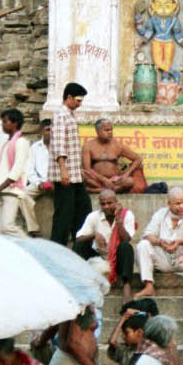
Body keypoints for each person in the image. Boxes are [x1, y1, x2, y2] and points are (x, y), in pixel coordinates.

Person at [138, 186, 183, 298]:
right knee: (143, 245)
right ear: (169, 204)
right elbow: (148, 234)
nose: (182, 206)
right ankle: (148, 286)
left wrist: (181, 242)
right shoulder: (160, 214)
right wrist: (160, 242)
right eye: (177, 203)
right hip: (165, 260)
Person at [48, 82, 90, 249]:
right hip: (65, 173)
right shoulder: (60, 115)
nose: (80, 104)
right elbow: (59, 144)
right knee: (63, 215)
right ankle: (57, 249)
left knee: (82, 210)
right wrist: (63, 170)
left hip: (74, 174)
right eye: (78, 100)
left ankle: (80, 247)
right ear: (69, 97)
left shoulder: (70, 115)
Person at [76, 189, 140, 298]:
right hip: (98, 258)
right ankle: (79, 282)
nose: (106, 207)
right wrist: (94, 235)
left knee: (126, 247)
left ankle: (126, 285)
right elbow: (78, 238)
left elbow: (126, 239)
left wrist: (118, 219)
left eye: (109, 203)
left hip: (118, 260)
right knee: (80, 245)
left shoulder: (127, 215)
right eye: (103, 204)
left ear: (116, 202)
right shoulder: (93, 216)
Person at [0, 108, 35, 237]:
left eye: (5, 121)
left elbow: (16, 170)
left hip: (11, 190)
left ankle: (32, 247)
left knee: (8, 226)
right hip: (2, 190)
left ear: (14, 123)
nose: (2, 124)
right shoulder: (8, 143)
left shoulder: (21, 142)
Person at [81, 119, 145, 195]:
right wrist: (104, 180)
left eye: (111, 130)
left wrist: (126, 174)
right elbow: (87, 169)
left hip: (115, 181)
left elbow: (137, 159)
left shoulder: (117, 145)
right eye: (106, 130)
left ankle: (98, 191)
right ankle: (111, 190)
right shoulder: (88, 146)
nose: (110, 132)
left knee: (129, 181)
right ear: (98, 131)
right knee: (83, 174)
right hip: (96, 180)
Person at [25, 119, 52, 195]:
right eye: (48, 130)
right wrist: (39, 184)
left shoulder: (61, 147)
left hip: (58, 184)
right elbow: (30, 171)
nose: (51, 133)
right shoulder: (35, 148)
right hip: (40, 183)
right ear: (41, 132)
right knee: (22, 196)